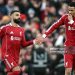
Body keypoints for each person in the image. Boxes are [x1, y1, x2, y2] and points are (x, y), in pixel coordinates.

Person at [37, 2, 75, 75]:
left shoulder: (70, 20)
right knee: (68, 70)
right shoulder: (65, 17)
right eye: (69, 10)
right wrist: (44, 36)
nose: (70, 12)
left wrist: (72, 22)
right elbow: (54, 26)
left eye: (72, 10)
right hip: (69, 48)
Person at [0, 10, 38, 75]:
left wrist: (34, 41)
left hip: (16, 55)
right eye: (17, 15)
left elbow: (23, 44)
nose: (19, 17)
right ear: (11, 16)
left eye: (19, 15)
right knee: (17, 70)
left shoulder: (21, 30)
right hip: (7, 54)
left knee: (13, 72)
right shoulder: (5, 28)